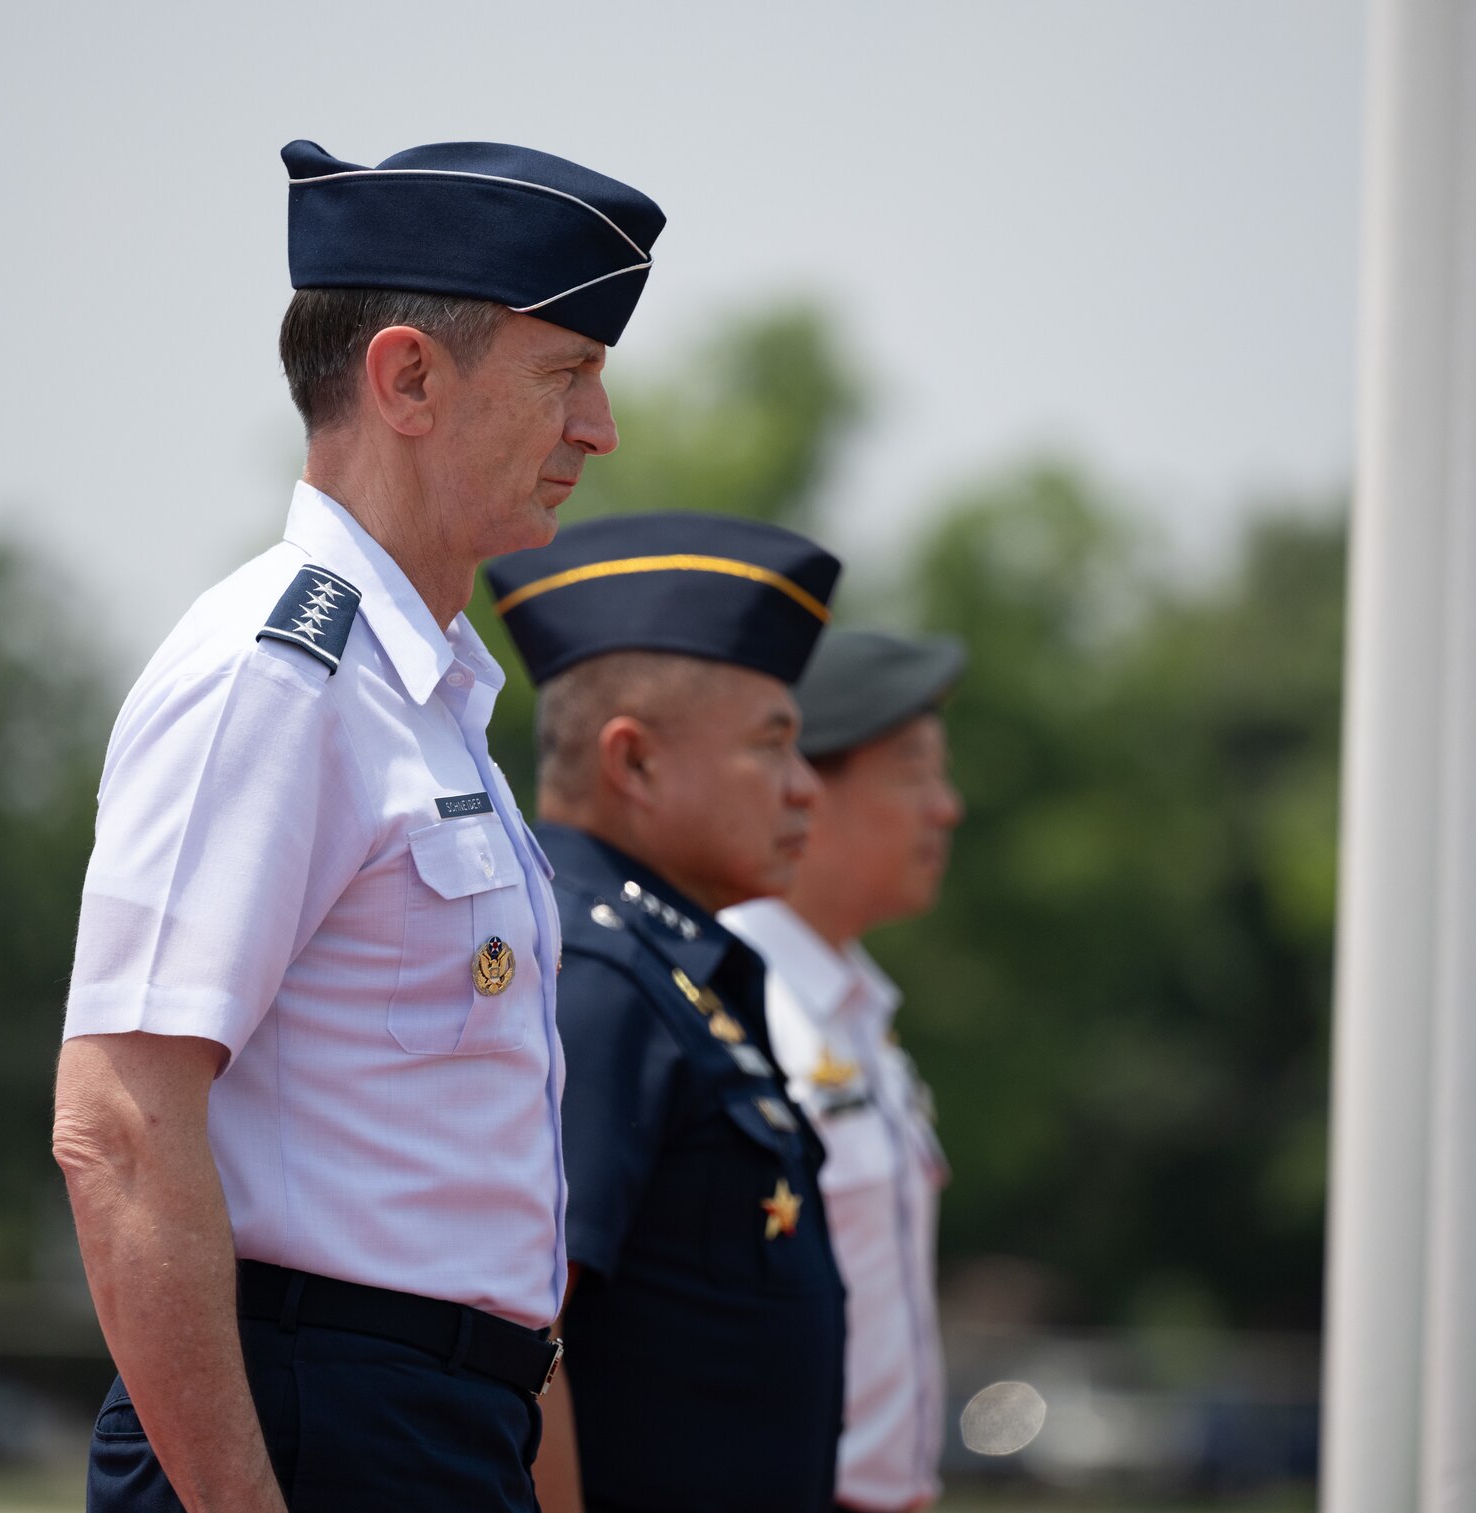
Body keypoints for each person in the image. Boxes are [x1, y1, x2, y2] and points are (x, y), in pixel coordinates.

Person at [51, 138, 663, 1513]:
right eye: (568, 372)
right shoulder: (277, 676)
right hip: (311, 1425)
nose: (600, 428)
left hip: (425, 1424)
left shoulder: (420, 695)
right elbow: (121, 1126)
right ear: (406, 379)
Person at [486, 513, 849, 1513]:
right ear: (633, 762)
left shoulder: (663, 967)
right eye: (772, 745)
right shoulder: (593, 976)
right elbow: (519, 1349)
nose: (805, 789)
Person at [721, 628, 966, 1513]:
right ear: (805, 786)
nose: (946, 808)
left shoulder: (853, 1007)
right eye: (913, 770)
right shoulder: (739, 1009)